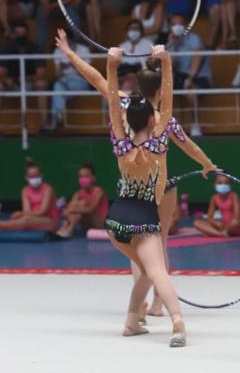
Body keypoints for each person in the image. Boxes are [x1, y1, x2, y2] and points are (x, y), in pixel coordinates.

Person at [54, 29, 217, 317]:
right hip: (159, 188)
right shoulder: (165, 120)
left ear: (138, 86)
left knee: (136, 241)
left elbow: (96, 78)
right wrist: (207, 164)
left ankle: (142, 297)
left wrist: (69, 53)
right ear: (161, 90)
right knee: (158, 243)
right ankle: (156, 303)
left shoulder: (125, 106)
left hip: (132, 190)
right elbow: (188, 145)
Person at [104, 44, 188, 346]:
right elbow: (167, 98)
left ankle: (131, 322)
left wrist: (111, 66)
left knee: (143, 269)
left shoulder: (120, 143)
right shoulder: (158, 144)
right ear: (153, 120)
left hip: (115, 222)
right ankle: (178, 322)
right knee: (156, 269)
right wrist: (166, 61)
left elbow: (114, 103)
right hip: (143, 218)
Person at [0, 20, 50, 131]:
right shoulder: (6, 49)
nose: (20, 37)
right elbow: (1, 71)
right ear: (13, 34)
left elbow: (41, 72)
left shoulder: (35, 48)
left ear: (27, 33)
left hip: (30, 83)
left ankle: (44, 125)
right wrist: (7, 80)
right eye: (18, 34)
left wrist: (29, 79)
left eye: (23, 33)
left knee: (42, 84)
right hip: (12, 84)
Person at [166, 14, 211, 138]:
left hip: (198, 76)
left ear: (186, 26)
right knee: (166, 91)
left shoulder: (194, 39)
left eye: (180, 24)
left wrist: (190, 78)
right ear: (169, 27)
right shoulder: (169, 42)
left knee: (190, 92)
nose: (177, 27)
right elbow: (170, 65)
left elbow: (197, 59)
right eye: (174, 24)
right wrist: (172, 45)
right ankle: (175, 126)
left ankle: (195, 125)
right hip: (180, 76)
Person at [0, 158, 59, 234]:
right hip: (32, 219)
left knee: (26, 220)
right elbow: (27, 211)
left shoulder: (48, 189)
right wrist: (22, 214)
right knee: (16, 217)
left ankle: (1, 225)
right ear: (26, 178)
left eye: (37, 176)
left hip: (49, 221)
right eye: (32, 177)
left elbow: (43, 212)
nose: (35, 179)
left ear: (41, 175)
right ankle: (5, 227)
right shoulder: (25, 190)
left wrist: (22, 214)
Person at [55, 163, 109, 238]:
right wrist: (69, 210)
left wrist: (71, 210)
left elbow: (91, 209)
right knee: (77, 203)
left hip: (100, 224)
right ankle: (65, 228)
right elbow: (66, 212)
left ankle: (69, 229)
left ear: (93, 178)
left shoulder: (99, 192)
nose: (83, 179)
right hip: (86, 225)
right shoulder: (78, 193)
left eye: (86, 176)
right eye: (81, 176)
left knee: (81, 204)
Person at [50, 33, 92, 129]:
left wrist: (74, 64)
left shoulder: (84, 50)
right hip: (64, 80)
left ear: (73, 41)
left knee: (58, 91)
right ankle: (59, 118)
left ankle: (56, 120)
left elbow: (88, 75)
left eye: (68, 42)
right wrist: (61, 67)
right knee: (58, 87)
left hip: (80, 81)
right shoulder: (58, 50)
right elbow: (57, 75)